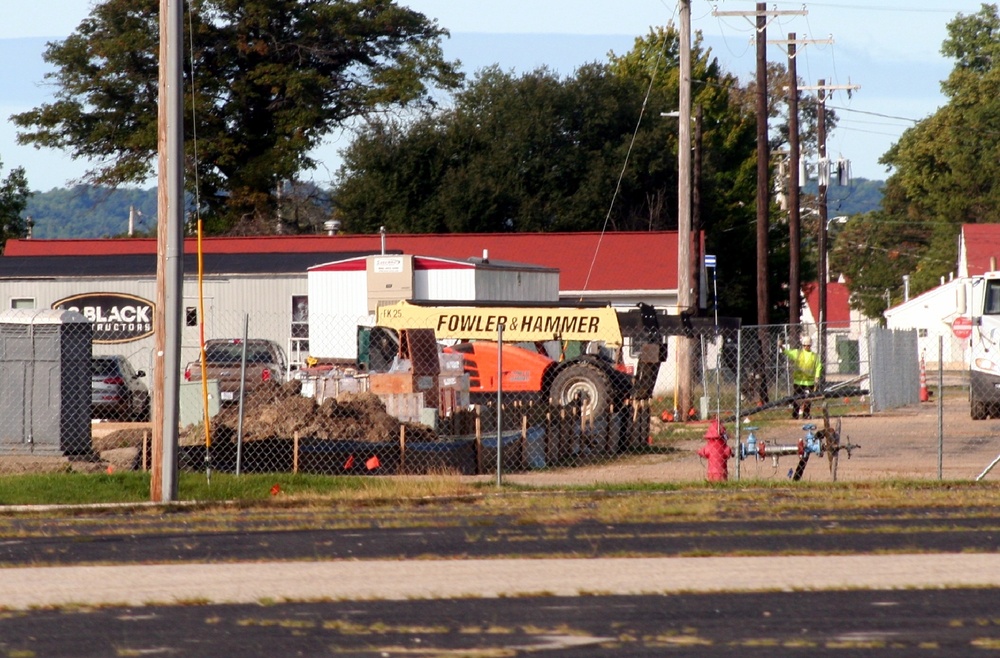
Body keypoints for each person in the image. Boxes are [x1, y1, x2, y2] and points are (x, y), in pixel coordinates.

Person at [780, 335, 822, 419]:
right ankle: (795, 415)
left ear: (810, 345)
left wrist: (817, 377)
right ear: (802, 345)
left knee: (808, 400)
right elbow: (788, 352)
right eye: (805, 345)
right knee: (797, 399)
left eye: (808, 345)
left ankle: (806, 415)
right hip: (798, 382)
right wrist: (781, 346)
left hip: (809, 382)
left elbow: (818, 366)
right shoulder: (797, 353)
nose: (806, 347)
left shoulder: (814, 356)